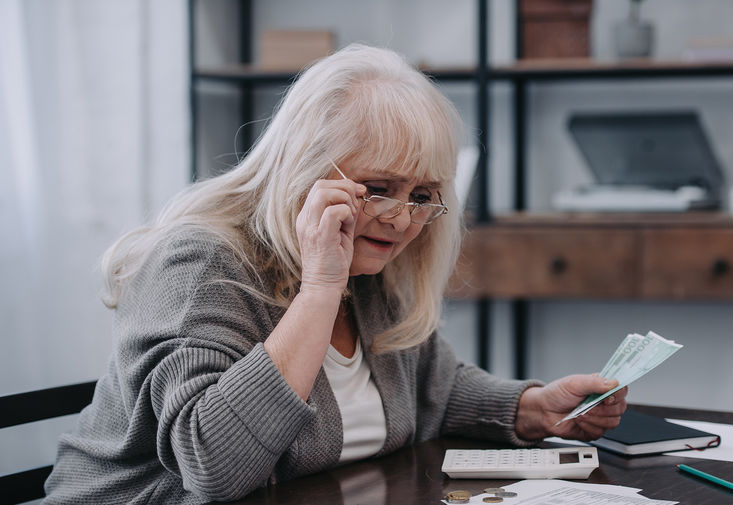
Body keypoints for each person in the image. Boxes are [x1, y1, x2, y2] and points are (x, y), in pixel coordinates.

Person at [44, 44, 627, 504]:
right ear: (305, 171)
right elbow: (212, 467)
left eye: (423, 195)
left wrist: (533, 407)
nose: (402, 219)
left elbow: (433, 389)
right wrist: (321, 288)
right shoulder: (199, 265)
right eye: (378, 188)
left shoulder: (372, 270)